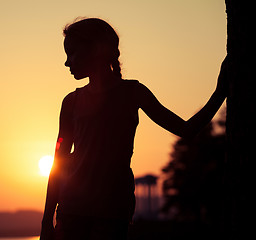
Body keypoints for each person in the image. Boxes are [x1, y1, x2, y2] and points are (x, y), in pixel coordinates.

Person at [40, 18, 228, 240]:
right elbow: (58, 162)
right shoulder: (71, 102)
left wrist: (219, 93)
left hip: (111, 212)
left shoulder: (133, 93)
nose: (66, 62)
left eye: (71, 53)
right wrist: (46, 221)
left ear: (95, 49)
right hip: (70, 212)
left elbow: (186, 129)